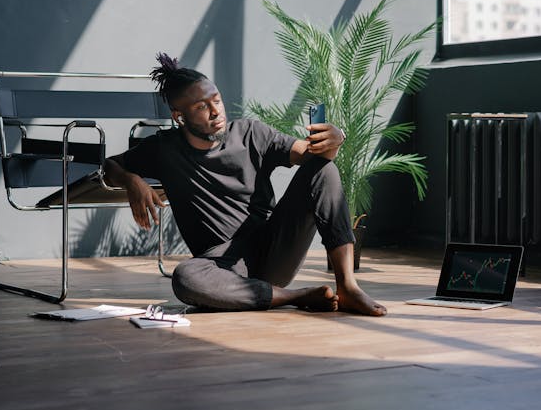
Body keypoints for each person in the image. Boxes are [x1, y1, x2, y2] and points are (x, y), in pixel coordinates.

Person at [103, 52, 386, 316]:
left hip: (273, 250)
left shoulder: (250, 133)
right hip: (222, 266)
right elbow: (109, 165)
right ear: (179, 117)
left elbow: (309, 154)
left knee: (324, 168)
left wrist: (335, 139)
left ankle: (347, 286)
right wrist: (132, 181)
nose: (216, 112)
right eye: (202, 107)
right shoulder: (164, 150)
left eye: (217, 100)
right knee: (185, 278)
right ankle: (293, 297)